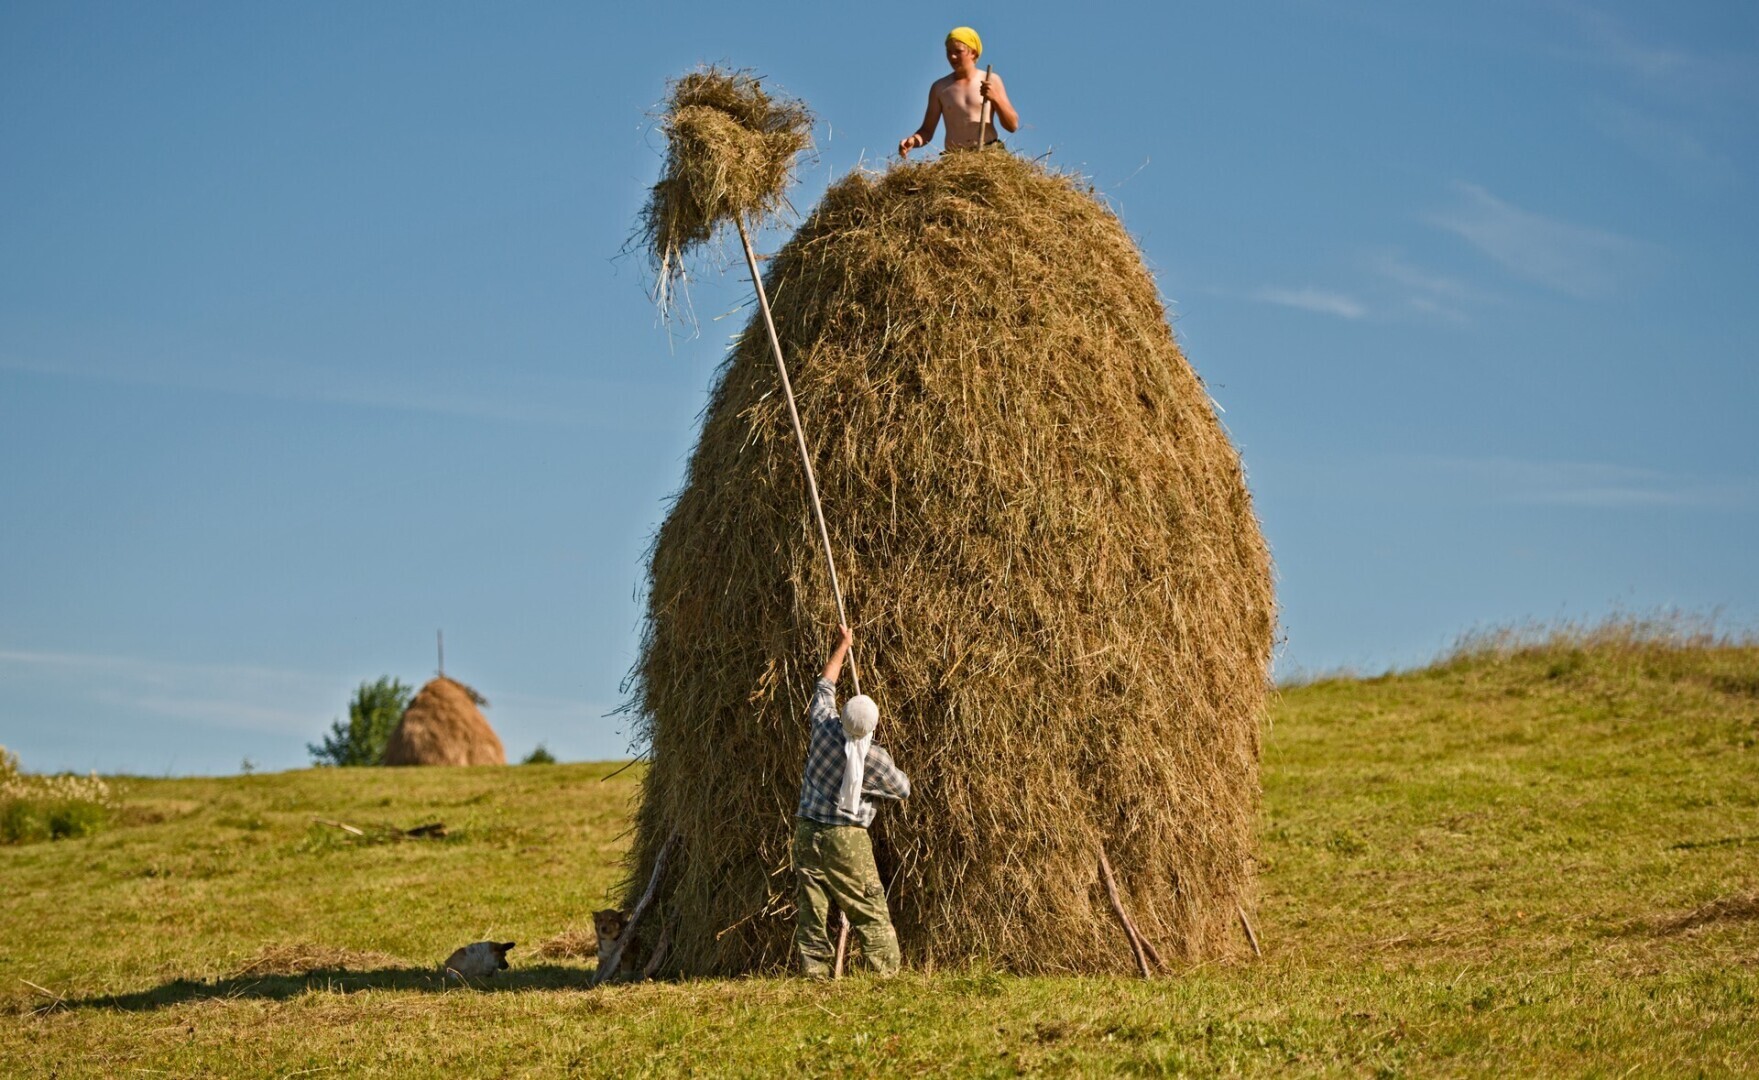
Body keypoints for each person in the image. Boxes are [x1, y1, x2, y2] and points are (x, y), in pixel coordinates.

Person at [792, 624, 912, 977]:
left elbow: (824, 686)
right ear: (873, 727)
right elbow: (902, 788)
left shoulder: (824, 726)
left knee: (811, 905)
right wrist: (872, 782)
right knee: (868, 906)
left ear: (842, 715)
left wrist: (843, 645)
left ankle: (814, 972)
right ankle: (883, 972)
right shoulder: (874, 759)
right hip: (845, 837)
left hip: (807, 832)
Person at [898, 26, 1019, 158]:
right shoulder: (939, 88)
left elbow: (1012, 125)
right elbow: (926, 131)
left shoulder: (990, 80)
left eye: (958, 51)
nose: (952, 56)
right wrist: (913, 141)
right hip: (955, 158)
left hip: (988, 154)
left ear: (973, 53)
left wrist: (995, 98)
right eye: (948, 52)